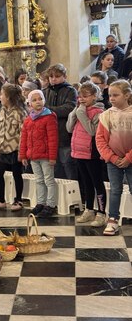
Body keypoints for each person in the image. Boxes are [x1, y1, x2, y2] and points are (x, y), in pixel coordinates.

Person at [67, 82, 106, 226]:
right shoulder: (80, 110)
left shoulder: (99, 112)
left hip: (92, 154)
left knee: (97, 183)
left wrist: (81, 113)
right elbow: (69, 128)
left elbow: (92, 131)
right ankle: (89, 210)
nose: (81, 99)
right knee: (86, 183)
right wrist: (75, 112)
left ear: (95, 96)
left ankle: (101, 213)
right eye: (79, 96)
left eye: (85, 96)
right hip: (78, 152)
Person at [96, 79, 132, 236]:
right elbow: (100, 140)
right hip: (113, 161)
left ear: (127, 95)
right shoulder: (105, 116)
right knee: (115, 190)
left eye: (115, 95)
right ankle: (113, 219)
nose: (111, 98)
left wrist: (129, 158)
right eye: (109, 95)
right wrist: (111, 157)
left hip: (130, 160)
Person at [0, 84, 27, 211]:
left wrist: (22, 151)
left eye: (2, 94)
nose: (0, 97)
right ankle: (1, 200)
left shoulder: (20, 112)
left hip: (15, 149)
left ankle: (18, 200)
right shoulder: (3, 110)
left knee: (17, 174)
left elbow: (23, 133)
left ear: (9, 97)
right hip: (3, 148)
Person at [19, 90, 58, 217]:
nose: (38, 102)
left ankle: (50, 204)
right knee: (39, 180)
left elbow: (53, 138)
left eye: (40, 99)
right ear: (30, 103)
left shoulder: (49, 116)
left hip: (46, 156)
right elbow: (23, 138)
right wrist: (23, 155)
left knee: (48, 180)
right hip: (33, 156)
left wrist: (52, 157)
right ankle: (41, 203)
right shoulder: (28, 119)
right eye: (34, 100)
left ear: (44, 100)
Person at [43, 63, 78, 180]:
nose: (53, 79)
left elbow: (68, 109)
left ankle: (74, 195)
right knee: (55, 167)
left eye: (57, 76)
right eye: (51, 76)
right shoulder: (44, 92)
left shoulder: (70, 91)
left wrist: (47, 110)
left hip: (64, 134)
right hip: (49, 135)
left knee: (67, 165)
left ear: (64, 76)